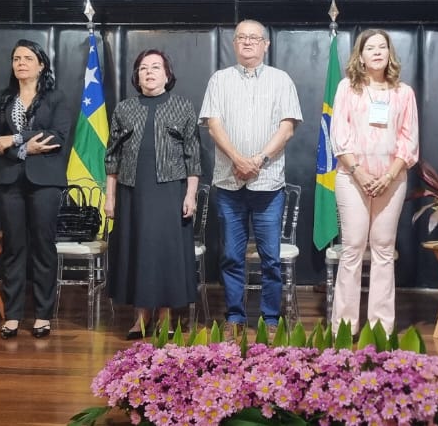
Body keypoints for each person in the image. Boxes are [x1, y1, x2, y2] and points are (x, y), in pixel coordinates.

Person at [199, 19, 302, 336]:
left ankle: (271, 320)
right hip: (230, 184)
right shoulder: (220, 80)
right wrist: (238, 159)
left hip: (268, 184)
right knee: (231, 257)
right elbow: (213, 125)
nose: (247, 42)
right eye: (241, 37)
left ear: (265, 44)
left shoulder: (281, 80)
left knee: (271, 259)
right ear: (234, 43)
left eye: (254, 38)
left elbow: (287, 127)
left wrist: (257, 160)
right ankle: (235, 318)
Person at [105, 50, 202, 339]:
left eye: (156, 67)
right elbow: (112, 158)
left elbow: (192, 156)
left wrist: (191, 194)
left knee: (165, 254)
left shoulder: (183, 106)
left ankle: (166, 319)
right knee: (138, 251)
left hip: (170, 191)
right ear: (137, 76)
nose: (149, 72)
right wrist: (110, 197)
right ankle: (140, 319)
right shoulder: (124, 108)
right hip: (132, 192)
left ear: (167, 74)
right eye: (143, 68)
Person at [330, 29, 419, 334]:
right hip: (352, 178)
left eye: (383, 47)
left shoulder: (403, 93)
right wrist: (361, 173)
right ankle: (345, 327)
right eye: (371, 47)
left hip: (391, 181)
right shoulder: (347, 88)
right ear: (361, 55)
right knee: (353, 247)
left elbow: (409, 140)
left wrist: (390, 175)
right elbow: (339, 137)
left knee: (383, 249)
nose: (378, 51)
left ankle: (380, 327)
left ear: (389, 54)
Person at [0, 40, 73, 339]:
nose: (21, 63)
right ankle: (12, 315)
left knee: (43, 247)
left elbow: (58, 135)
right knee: (13, 247)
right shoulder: (2, 98)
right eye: (16, 58)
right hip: (9, 179)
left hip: (45, 181)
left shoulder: (56, 98)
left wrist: (15, 138)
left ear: (41, 65)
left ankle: (43, 315)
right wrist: (20, 149)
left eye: (27, 58)